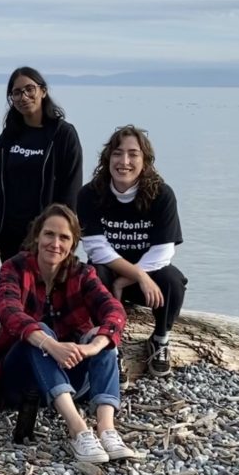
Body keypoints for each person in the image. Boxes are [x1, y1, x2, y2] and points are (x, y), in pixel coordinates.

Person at [0, 204, 137, 463]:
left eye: (64, 238)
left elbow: (114, 311)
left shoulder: (83, 273)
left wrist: (93, 346)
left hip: (71, 376)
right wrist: (51, 344)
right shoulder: (14, 268)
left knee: (101, 335)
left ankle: (106, 429)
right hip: (22, 378)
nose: (55, 243)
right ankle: (78, 430)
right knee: (36, 332)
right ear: (37, 235)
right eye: (49, 234)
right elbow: (9, 312)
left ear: (72, 244)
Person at [77, 125, 187, 378]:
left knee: (173, 281)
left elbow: (163, 252)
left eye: (133, 154)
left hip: (146, 279)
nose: (124, 161)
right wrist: (135, 276)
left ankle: (160, 340)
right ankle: (110, 346)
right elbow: (96, 249)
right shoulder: (90, 194)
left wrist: (133, 278)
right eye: (117, 153)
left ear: (145, 160)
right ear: (107, 158)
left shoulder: (162, 195)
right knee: (92, 273)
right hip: (109, 274)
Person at [0, 67, 83, 265]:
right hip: (10, 234)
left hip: (47, 234)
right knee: (16, 291)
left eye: (30, 89)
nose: (24, 96)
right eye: (17, 92)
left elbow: (72, 189)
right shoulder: (8, 137)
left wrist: (64, 234)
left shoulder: (63, 135)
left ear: (43, 91)